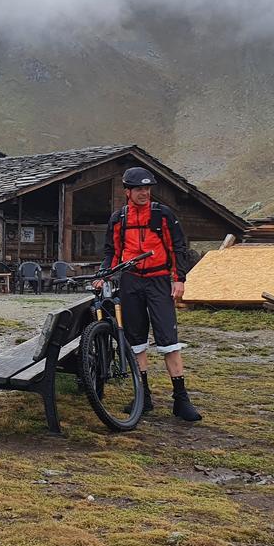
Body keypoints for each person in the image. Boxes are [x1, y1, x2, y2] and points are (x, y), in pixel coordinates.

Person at [100, 166, 202, 422]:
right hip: (130, 281)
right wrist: (104, 275)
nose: (145, 193)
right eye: (139, 189)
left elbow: (178, 247)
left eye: (147, 188)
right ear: (127, 191)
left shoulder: (162, 215)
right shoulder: (119, 218)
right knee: (136, 341)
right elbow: (111, 251)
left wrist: (179, 279)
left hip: (158, 280)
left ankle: (181, 399)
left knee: (168, 339)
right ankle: (142, 396)